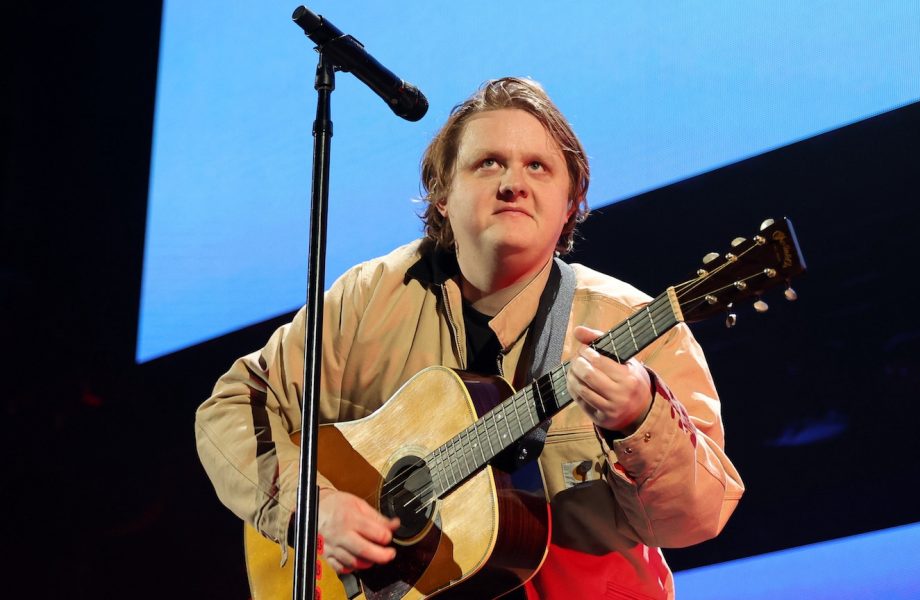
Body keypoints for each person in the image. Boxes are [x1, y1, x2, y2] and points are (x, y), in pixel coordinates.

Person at [196, 77, 744, 599]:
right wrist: (311, 509)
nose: (513, 182)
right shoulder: (367, 299)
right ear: (441, 195)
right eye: (488, 163)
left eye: (538, 166)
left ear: (571, 202)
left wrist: (639, 419)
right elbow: (232, 408)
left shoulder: (632, 325)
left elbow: (697, 518)